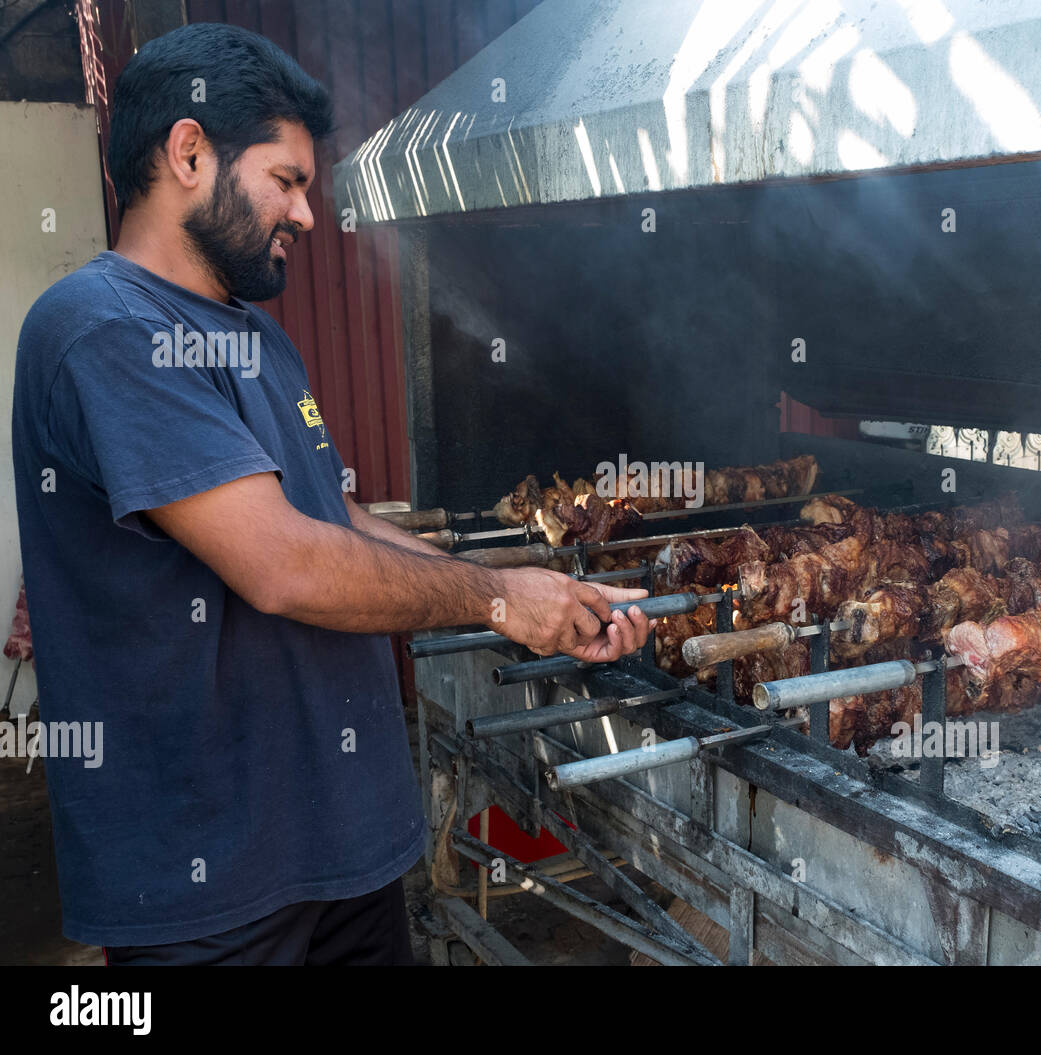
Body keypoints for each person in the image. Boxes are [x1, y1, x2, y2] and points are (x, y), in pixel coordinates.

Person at [9, 22, 653, 966]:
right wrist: (506, 598)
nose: (308, 215)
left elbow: (334, 518)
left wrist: (526, 593)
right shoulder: (99, 328)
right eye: (288, 180)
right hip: (213, 883)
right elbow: (281, 562)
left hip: (340, 851)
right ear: (190, 152)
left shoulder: (254, 335)